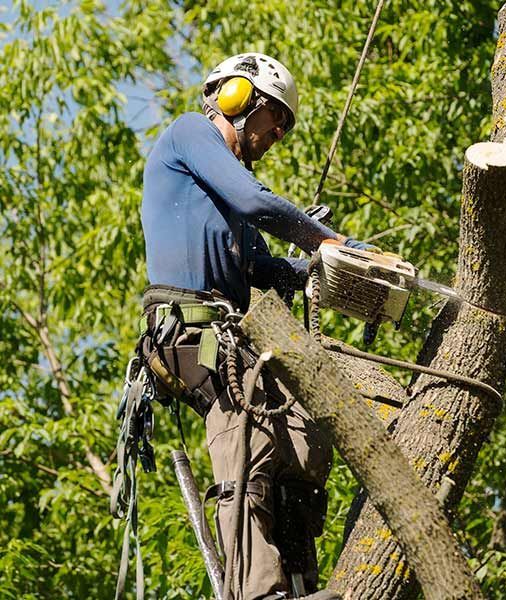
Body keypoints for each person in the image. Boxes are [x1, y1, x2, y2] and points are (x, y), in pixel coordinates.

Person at [140, 52, 368, 600]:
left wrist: (318, 264)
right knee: (250, 442)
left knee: (303, 438)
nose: (276, 138)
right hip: (190, 329)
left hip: (232, 336)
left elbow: (265, 270)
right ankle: (258, 592)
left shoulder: (231, 205)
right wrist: (319, 237)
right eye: (275, 123)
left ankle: (299, 583)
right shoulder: (190, 134)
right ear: (242, 100)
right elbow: (254, 199)